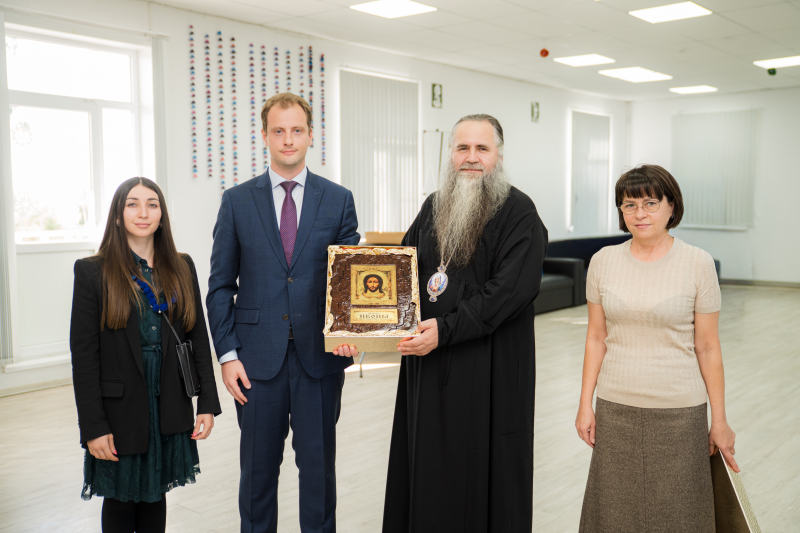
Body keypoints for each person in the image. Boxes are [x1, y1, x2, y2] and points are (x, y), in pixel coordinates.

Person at [382, 114, 548, 532]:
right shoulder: (433, 206)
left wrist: (447, 329)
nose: (471, 158)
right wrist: (364, 323)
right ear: (451, 154)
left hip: (487, 368)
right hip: (428, 365)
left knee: (481, 473)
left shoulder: (520, 212)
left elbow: (510, 291)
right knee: (428, 466)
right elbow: (401, 272)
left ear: (498, 156)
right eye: (462, 148)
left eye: (481, 148)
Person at [206, 92, 359, 533]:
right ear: (265, 136)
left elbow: (349, 280)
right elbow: (220, 287)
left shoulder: (338, 199)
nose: (288, 139)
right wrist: (228, 355)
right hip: (255, 363)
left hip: (320, 360)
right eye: (279, 131)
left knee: (318, 476)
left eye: (296, 130)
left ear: (311, 135)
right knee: (256, 477)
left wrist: (351, 332)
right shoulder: (237, 201)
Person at [575, 165, 738, 533]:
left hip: (679, 412)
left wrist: (720, 419)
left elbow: (708, 347)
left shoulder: (698, 263)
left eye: (650, 203)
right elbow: (596, 337)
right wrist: (585, 403)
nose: (639, 214)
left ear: (671, 207)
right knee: (615, 514)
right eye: (629, 205)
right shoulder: (602, 261)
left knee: (680, 514)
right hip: (615, 408)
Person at [70, 177, 221, 533]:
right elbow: (85, 358)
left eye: (152, 204)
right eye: (132, 204)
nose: (143, 212)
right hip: (119, 409)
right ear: (117, 215)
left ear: (162, 215)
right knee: (121, 498)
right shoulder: (92, 271)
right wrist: (93, 427)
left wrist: (207, 403)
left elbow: (197, 338)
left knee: (156, 493)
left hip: (168, 399)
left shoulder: (181, 266)